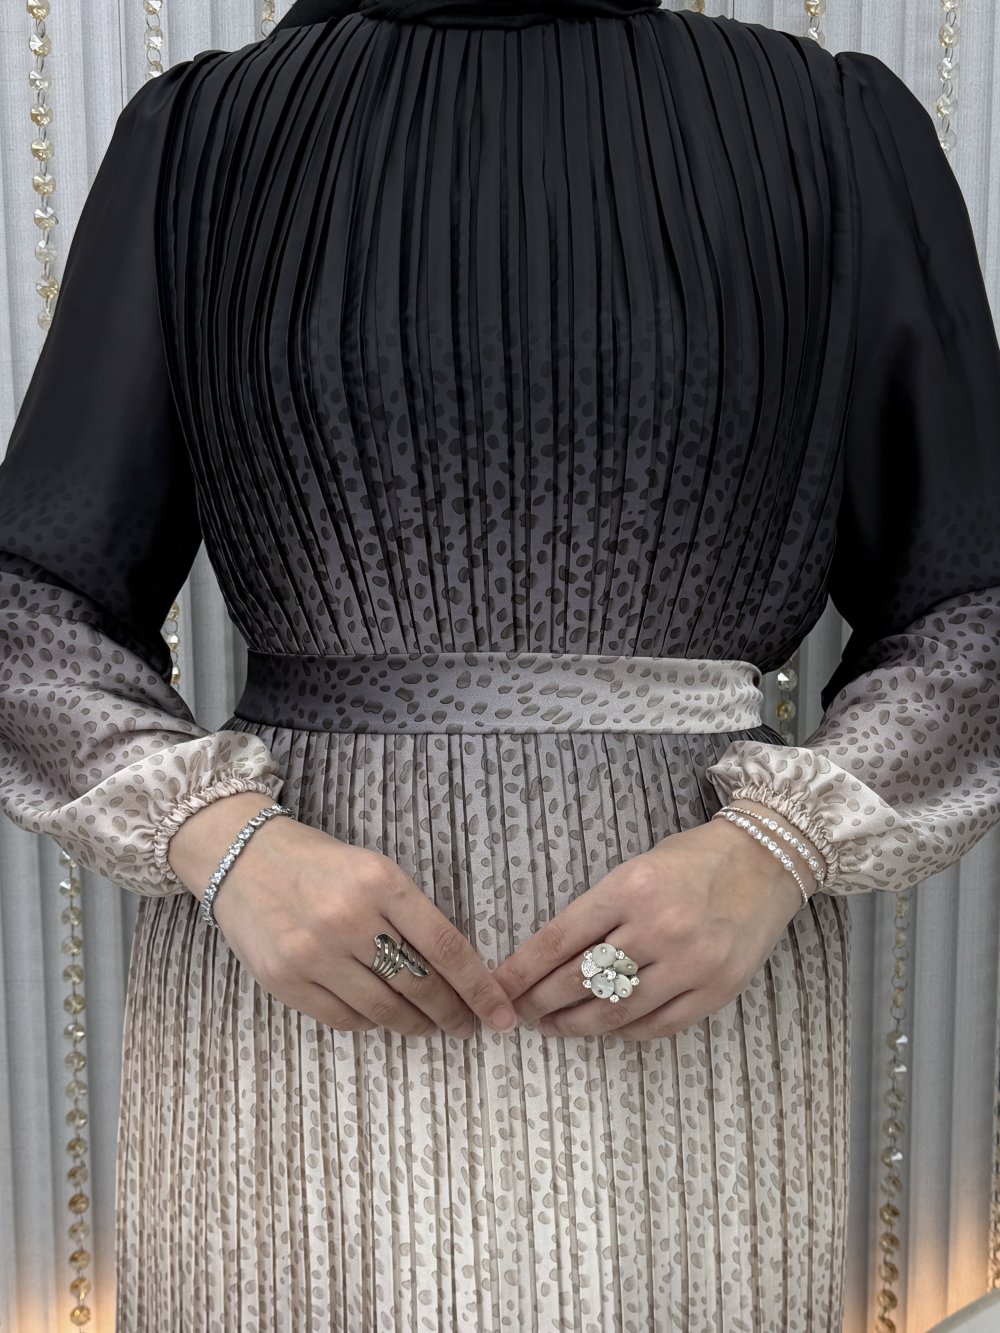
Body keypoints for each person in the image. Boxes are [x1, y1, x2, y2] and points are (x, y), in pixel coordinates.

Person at [2, 0, 999, 1327]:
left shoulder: (831, 132)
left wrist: (781, 847)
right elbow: (31, 602)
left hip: (690, 1011)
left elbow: (972, 608)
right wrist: (220, 839)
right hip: (294, 1001)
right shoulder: (204, 142)